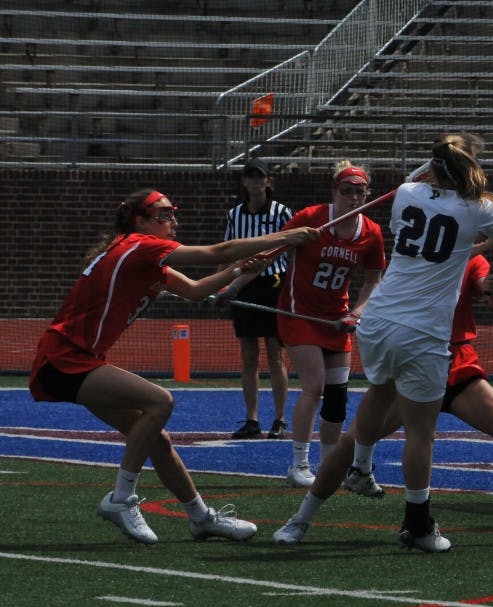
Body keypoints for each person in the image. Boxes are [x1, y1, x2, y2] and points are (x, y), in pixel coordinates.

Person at [278, 132, 493, 553]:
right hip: (424, 338)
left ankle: (352, 476)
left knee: (383, 405)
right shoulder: (476, 210)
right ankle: (414, 523)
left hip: (382, 325)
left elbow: (451, 216)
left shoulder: (407, 193)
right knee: (421, 434)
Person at [28, 188, 319, 544]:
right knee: (160, 401)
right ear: (140, 220)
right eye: (164, 215)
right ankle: (121, 498)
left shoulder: (145, 257)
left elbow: (198, 291)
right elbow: (217, 250)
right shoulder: (140, 246)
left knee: (158, 439)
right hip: (64, 359)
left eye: (172, 214)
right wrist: (286, 236)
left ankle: (201, 517)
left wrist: (238, 270)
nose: (173, 221)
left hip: (79, 359)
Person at [273, 237, 493, 546]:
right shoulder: (418, 256)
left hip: (456, 365)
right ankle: (301, 519)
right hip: (417, 364)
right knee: (352, 442)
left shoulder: (470, 259)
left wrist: (492, 290)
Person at [277, 161, 385, 488]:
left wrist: (357, 312)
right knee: (315, 386)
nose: (353, 198)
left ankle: (329, 465)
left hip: (336, 319)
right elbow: (273, 249)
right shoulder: (311, 218)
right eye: (346, 191)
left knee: (337, 396)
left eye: (359, 192)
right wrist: (236, 280)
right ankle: (299, 463)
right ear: (334, 191)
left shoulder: (371, 233)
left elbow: (373, 279)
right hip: (299, 314)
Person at [222, 159, 294, 440]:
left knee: (276, 354)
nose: (255, 182)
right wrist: (217, 284)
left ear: (268, 181)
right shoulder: (235, 215)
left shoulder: (281, 213)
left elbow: (290, 249)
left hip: (273, 284)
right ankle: (251, 419)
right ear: (244, 182)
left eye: (259, 177)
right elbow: (226, 251)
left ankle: (279, 418)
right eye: (250, 177)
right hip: (244, 286)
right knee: (248, 355)